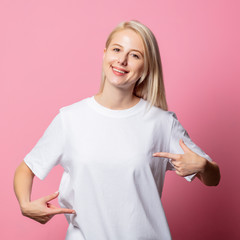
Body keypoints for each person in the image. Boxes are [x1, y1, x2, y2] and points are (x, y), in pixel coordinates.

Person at [14, 20, 220, 240]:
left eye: (135, 55)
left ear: (146, 67)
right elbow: (26, 168)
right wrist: (25, 204)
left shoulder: (161, 123)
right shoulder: (70, 118)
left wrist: (203, 166)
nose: (121, 60)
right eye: (117, 49)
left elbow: (213, 177)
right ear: (104, 54)